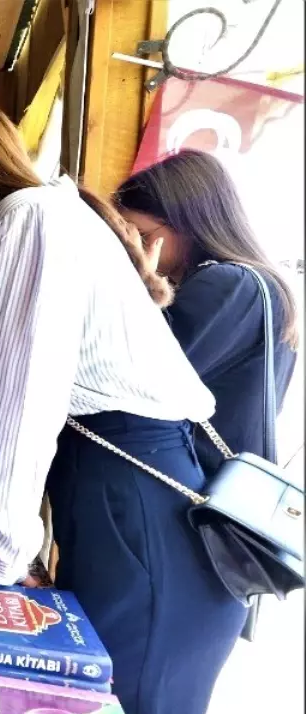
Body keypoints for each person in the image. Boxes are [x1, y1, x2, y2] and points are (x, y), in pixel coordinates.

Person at [0, 99, 244, 714]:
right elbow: (64, 391)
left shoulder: (27, 218)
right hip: (141, 507)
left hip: (141, 525)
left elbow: (25, 406)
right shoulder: (56, 211)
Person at [115, 149, 298, 475]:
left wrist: (141, 282)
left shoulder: (227, 284)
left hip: (192, 488)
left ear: (187, 224)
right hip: (220, 486)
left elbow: (137, 377)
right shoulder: (260, 287)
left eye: (141, 236)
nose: (135, 250)